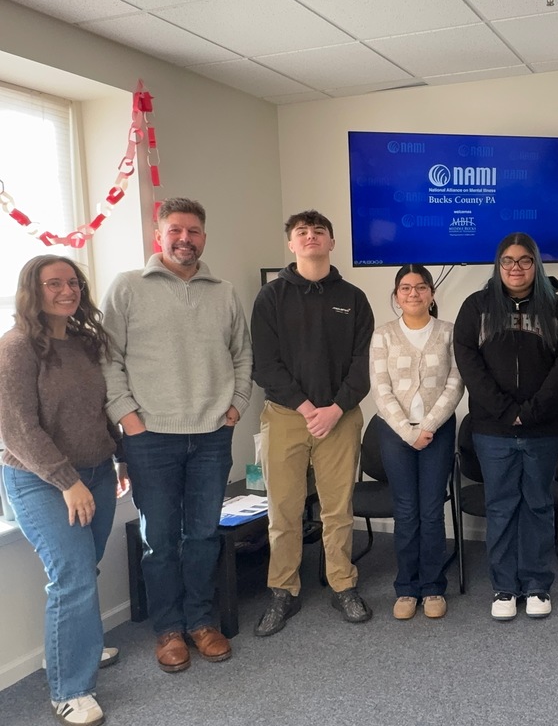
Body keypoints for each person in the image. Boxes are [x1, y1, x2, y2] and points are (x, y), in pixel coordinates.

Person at [102, 197, 252, 673]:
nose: (184, 239)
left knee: (204, 534)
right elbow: (109, 360)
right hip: (151, 436)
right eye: (175, 231)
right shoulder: (127, 287)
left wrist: (237, 406)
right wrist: (127, 417)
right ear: (159, 235)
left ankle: (201, 622)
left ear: (204, 237)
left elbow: (242, 354)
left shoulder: (224, 291)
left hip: (211, 433)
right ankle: (169, 630)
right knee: (160, 539)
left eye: (194, 231)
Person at [0, 257, 123, 726]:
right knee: (71, 575)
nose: (66, 290)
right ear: (33, 290)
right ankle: (70, 690)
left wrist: (120, 454)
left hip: (96, 472)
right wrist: (67, 482)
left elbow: (97, 408)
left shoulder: (84, 342)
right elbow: (18, 431)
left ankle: (74, 645)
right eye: (54, 283)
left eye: (72, 282)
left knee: (83, 569)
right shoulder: (16, 348)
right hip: (41, 480)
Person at [251, 210, 374, 635]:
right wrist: (306, 409)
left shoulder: (353, 298)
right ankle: (283, 590)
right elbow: (264, 364)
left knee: (338, 510)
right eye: (301, 232)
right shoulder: (271, 297)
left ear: (332, 242)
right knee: (283, 510)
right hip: (286, 417)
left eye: (318, 231)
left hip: (340, 417)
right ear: (291, 244)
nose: (310, 236)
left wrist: (335, 409)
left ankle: (343, 584)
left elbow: (363, 364)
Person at [454, 232, 558, 620]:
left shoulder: (557, 310)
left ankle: (538, 585)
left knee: (539, 506)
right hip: (493, 430)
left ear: (536, 265)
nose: (516, 268)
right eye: (508, 261)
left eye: (524, 261)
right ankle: (504, 588)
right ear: (498, 265)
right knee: (502, 506)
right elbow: (468, 362)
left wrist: (534, 410)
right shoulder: (476, 307)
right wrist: (508, 411)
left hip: (543, 429)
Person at [370, 265, 464, 620]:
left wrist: (429, 425)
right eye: (405, 288)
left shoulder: (448, 333)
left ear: (432, 293)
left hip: (438, 431)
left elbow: (456, 383)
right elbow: (381, 390)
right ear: (396, 296)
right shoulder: (383, 336)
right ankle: (407, 588)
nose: (413, 294)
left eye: (421, 287)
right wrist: (409, 431)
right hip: (394, 433)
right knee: (406, 511)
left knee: (430, 510)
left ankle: (433, 587)